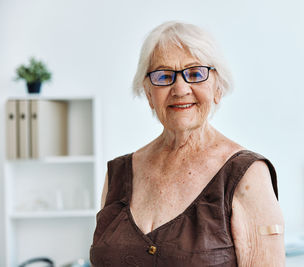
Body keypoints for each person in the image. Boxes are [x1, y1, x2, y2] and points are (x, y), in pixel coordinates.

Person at [90, 21, 285, 266]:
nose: (180, 88)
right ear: (149, 93)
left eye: (195, 73)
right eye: (163, 76)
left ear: (218, 87)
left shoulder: (247, 175)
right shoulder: (118, 174)